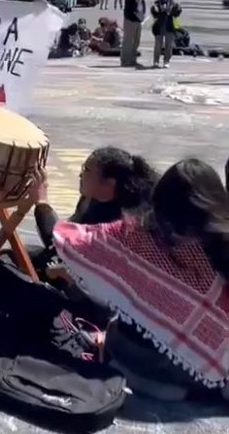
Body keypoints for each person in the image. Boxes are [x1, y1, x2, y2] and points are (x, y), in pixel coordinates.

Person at [53, 159, 229, 400]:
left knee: (117, 325)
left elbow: (70, 240)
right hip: (207, 369)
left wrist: (41, 205)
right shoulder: (220, 243)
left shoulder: (136, 232)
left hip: (134, 356)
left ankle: (148, 379)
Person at [33, 147, 157, 252]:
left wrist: (42, 202)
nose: (80, 175)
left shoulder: (123, 225)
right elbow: (66, 231)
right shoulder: (90, 198)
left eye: (87, 170)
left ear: (109, 184)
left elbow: (60, 245)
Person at [151, 0, 182, 69]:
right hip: (159, 26)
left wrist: (174, 10)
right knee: (158, 45)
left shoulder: (174, 3)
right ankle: (156, 61)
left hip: (170, 26)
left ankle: (166, 61)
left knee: (169, 45)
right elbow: (154, 13)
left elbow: (178, 13)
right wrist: (158, 11)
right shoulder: (157, 3)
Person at [120, 0, 148, 68]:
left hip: (138, 19)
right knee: (128, 41)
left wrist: (142, 15)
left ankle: (133, 59)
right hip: (130, 19)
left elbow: (141, 5)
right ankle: (125, 60)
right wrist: (136, 15)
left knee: (136, 41)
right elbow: (131, 8)